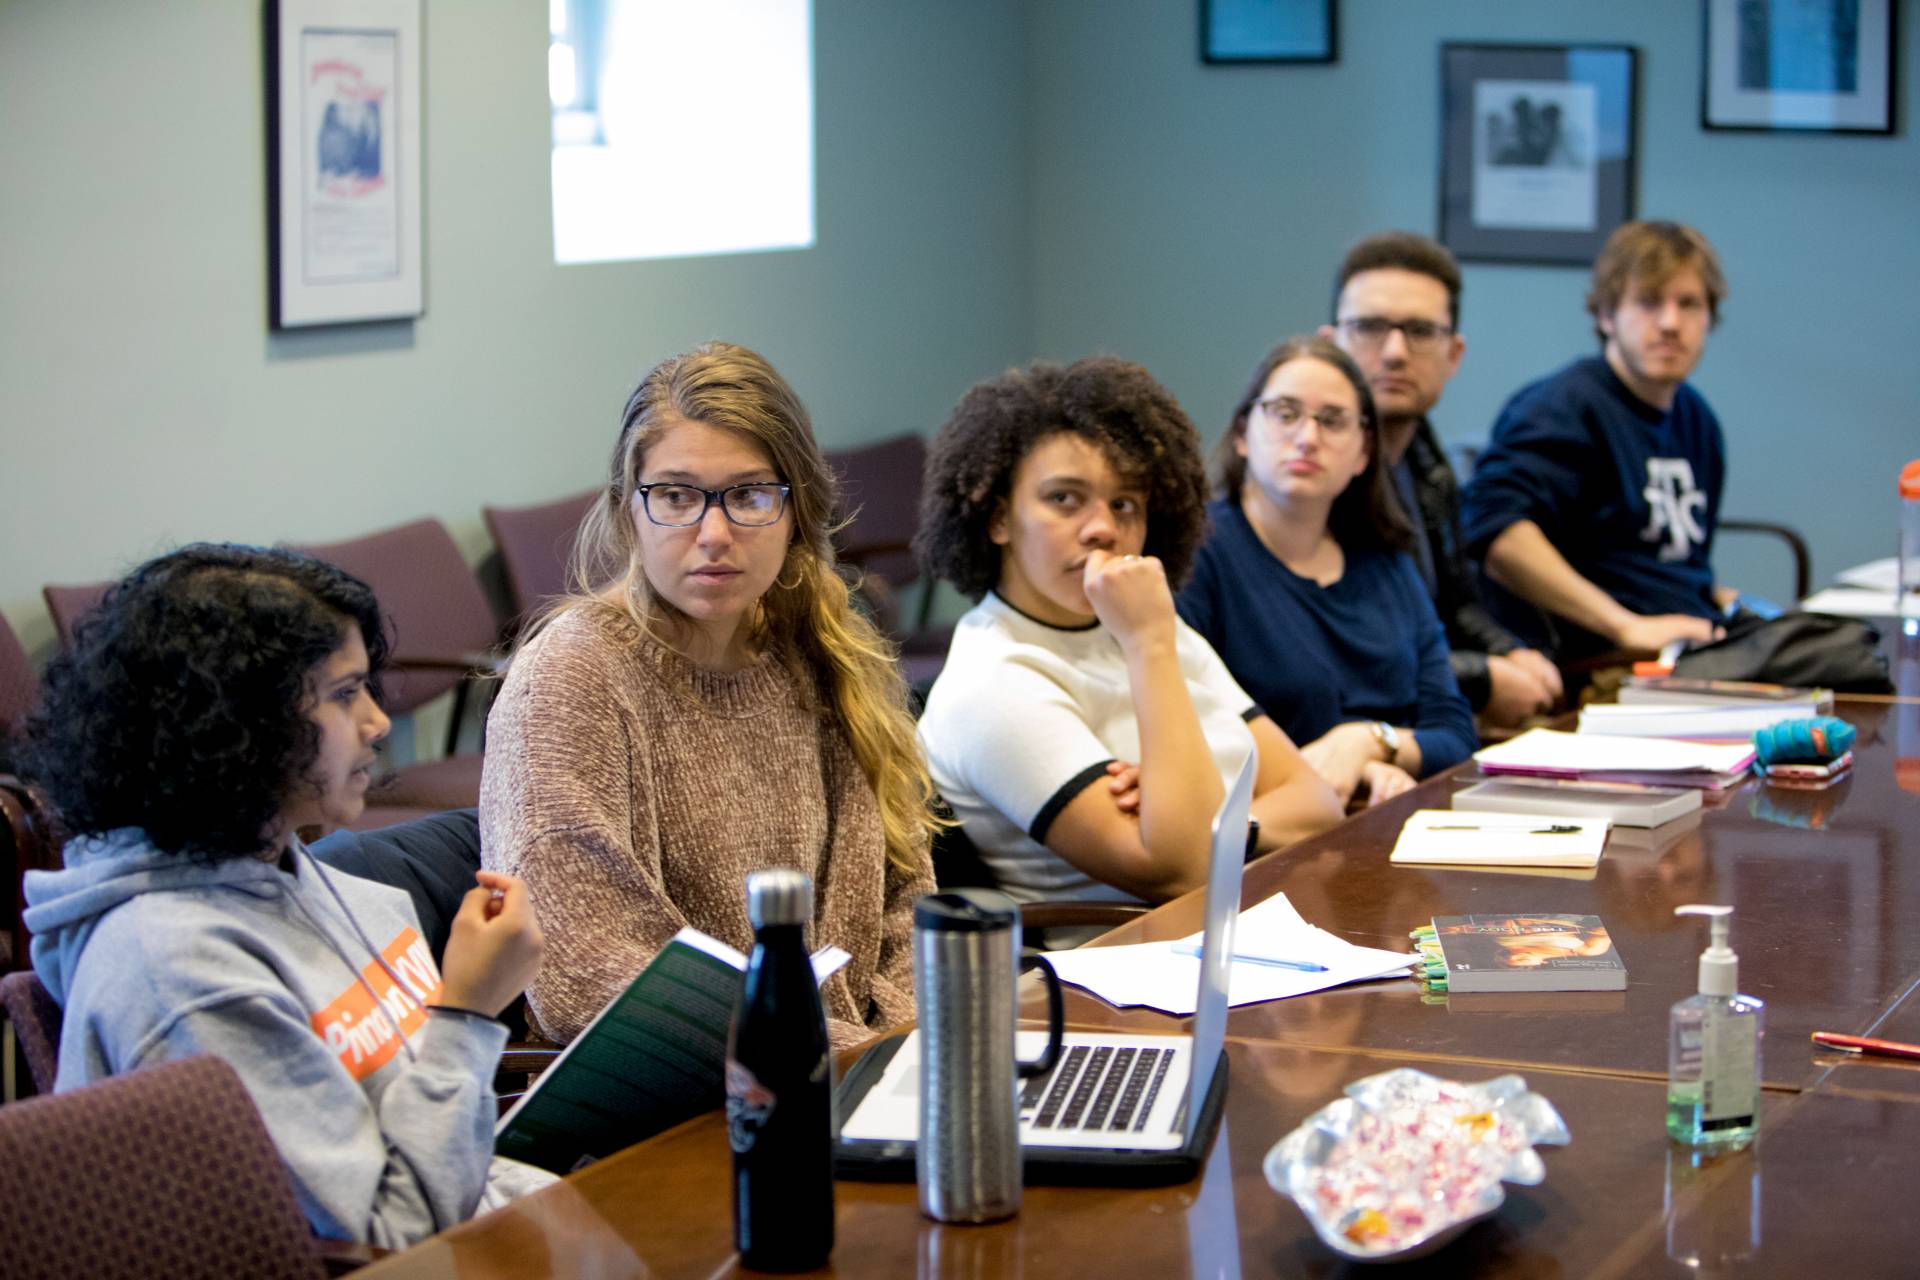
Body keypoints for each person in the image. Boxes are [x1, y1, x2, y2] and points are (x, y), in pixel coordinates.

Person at [19, 545, 549, 1248]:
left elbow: (429, 1141)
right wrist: (469, 1012)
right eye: (342, 694)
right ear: (235, 723)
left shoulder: (290, 868)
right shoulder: (178, 969)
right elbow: (395, 1235)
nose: (378, 723)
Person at [481, 341, 937, 1051]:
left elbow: (906, 904)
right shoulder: (573, 677)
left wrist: (902, 1055)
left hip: (851, 1076)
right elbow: (584, 970)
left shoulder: (823, 651)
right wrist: (845, 1058)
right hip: (676, 1101)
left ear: (796, 512)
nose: (714, 534)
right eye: (676, 496)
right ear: (628, 510)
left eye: (749, 496)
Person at [914, 357, 1342, 905]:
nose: (1103, 529)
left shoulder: (1150, 627)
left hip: (1241, 927)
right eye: (1064, 498)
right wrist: (1148, 646)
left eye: (1124, 504)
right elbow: (1186, 871)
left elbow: (1316, 802)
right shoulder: (995, 680)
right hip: (1112, 966)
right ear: (998, 519)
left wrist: (1220, 819)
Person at [1178, 337, 1478, 809]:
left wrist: (1369, 742)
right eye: (1284, 412)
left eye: (1332, 420)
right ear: (1242, 433)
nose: (1307, 437)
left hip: (1398, 823)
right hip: (1265, 838)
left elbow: (1456, 735)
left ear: (1362, 452)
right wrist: (1353, 773)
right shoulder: (1198, 556)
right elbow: (1192, 737)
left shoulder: (1389, 563)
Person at [1461, 220, 1732, 659]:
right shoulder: (1563, 408)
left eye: (1689, 304)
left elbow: (1665, 562)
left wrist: (1717, 599)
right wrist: (1624, 625)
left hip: (1687, 646)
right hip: (1600, 659)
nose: (1670, 323)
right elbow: (1495, 532)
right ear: (1607, 316)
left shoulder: (1697, 419)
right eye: (1648, 303)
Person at [1323, 231, 1563, 727]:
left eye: (1419, 330)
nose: (1393, 352)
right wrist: (1481, 678)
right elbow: (1344, 650)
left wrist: (1509, 653)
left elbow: (1456, 603)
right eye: (1368, 327)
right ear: (1331, 345)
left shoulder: (1427, 462)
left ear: (1453, 354)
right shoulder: (1307, 477)